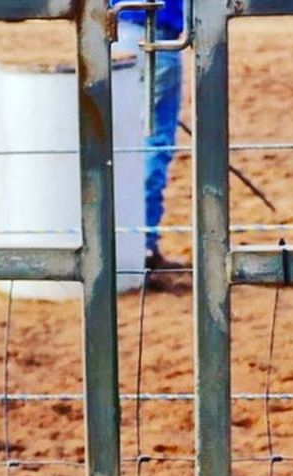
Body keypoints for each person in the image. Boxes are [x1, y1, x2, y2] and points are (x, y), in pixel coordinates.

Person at [114, 0, 186, 276]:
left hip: (116, 32)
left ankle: (120, 242)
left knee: (115, 141)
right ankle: (143, 243)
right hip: (159, 35)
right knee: (154, 143)